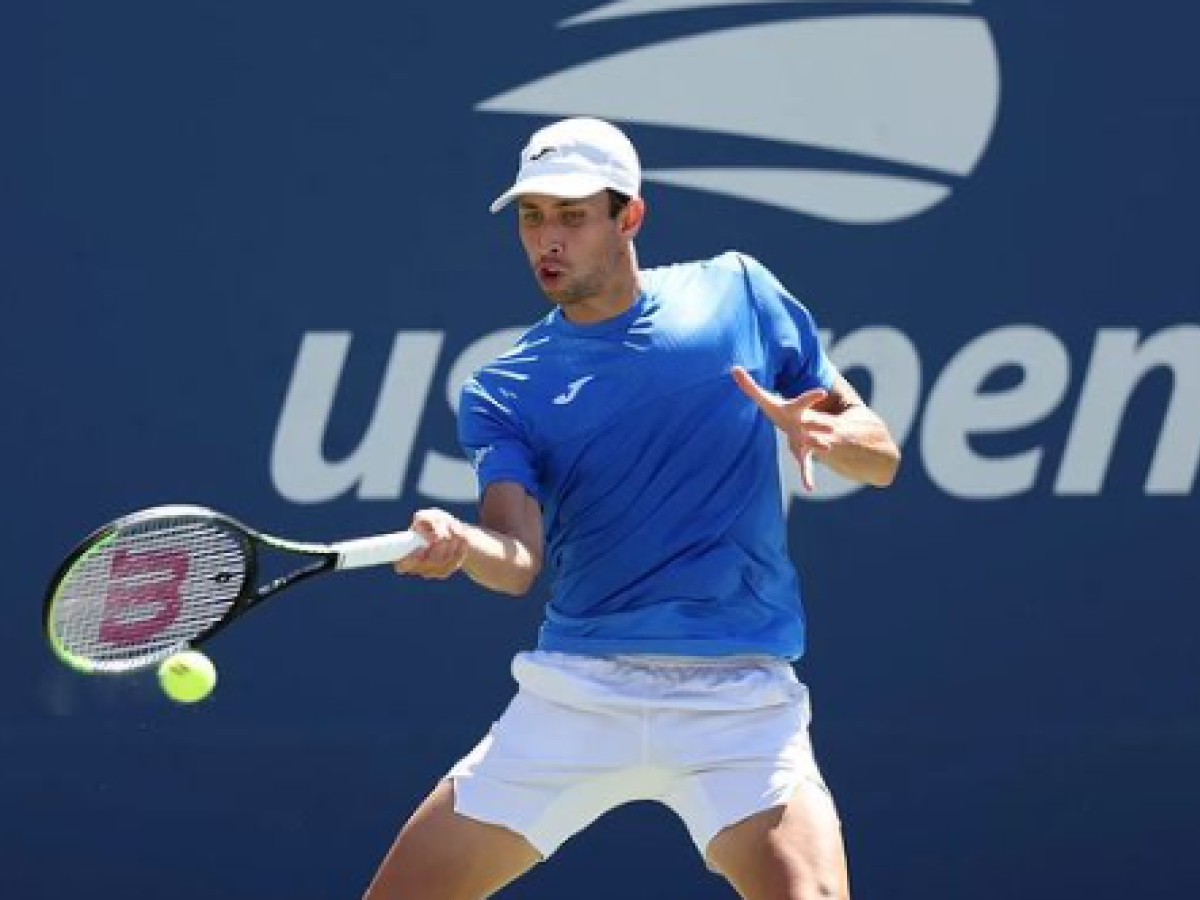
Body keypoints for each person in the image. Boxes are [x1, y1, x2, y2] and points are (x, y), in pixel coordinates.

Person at [364, 117, 900, 900]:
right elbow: (515, 563)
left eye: (573, 216)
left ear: (630, 218)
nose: (548, 239)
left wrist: (826, 431)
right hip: (580, 693)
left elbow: (878, 454)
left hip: (740, 699)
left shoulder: (739, 293)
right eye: (532, 216)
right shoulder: (504, 388)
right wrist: (460, 544)